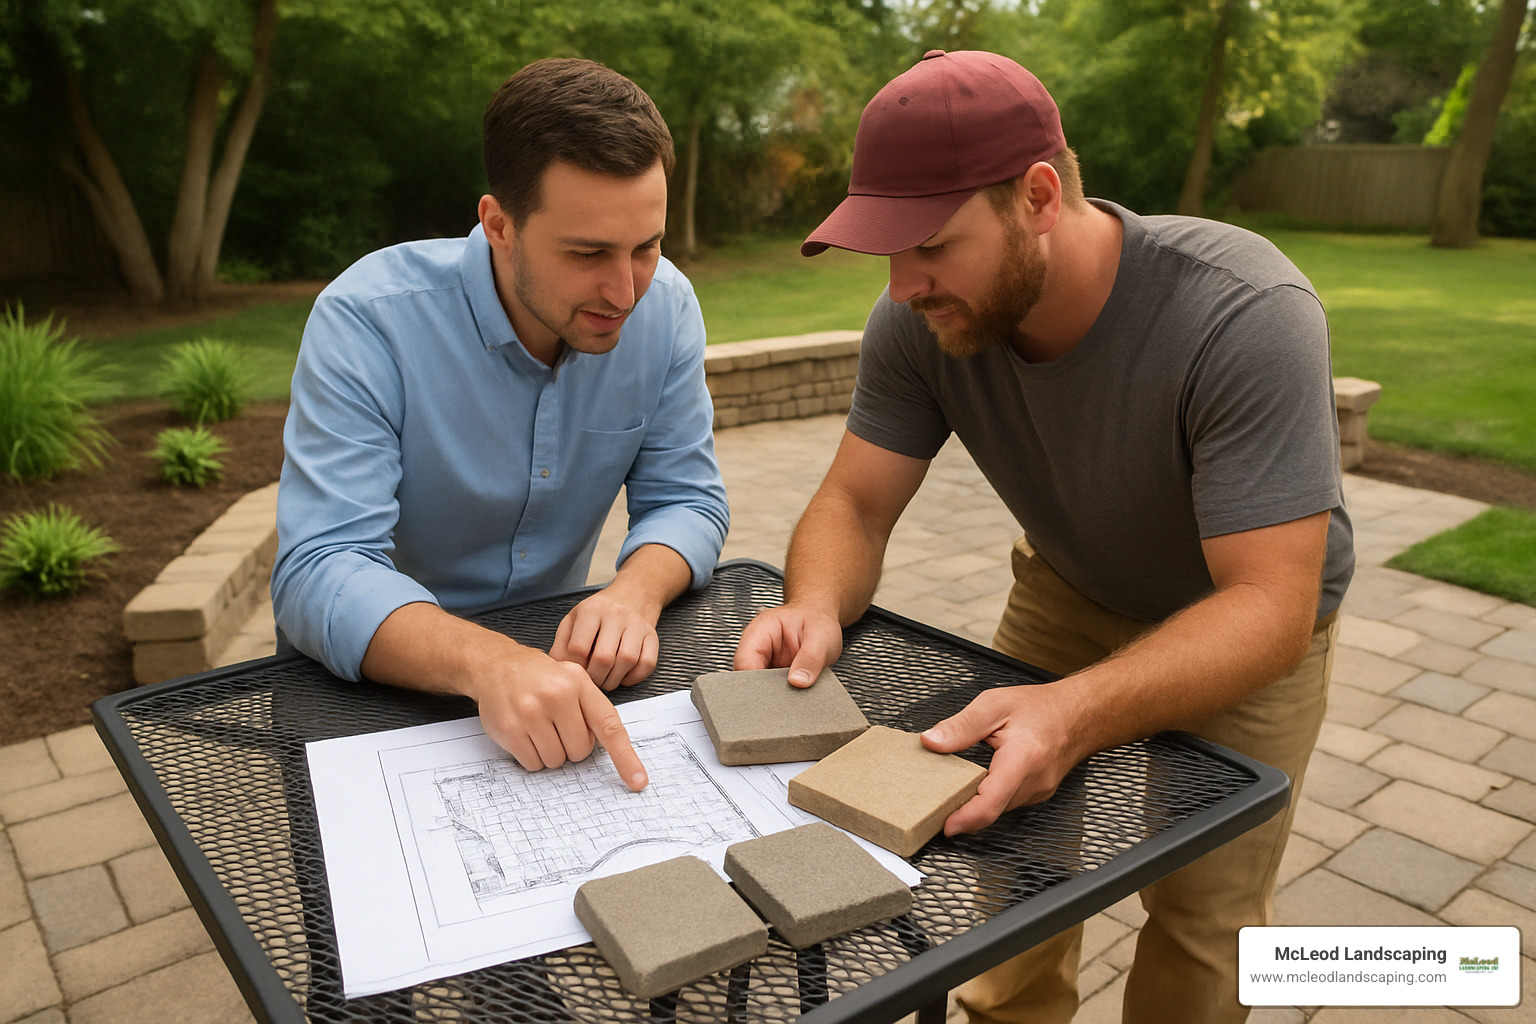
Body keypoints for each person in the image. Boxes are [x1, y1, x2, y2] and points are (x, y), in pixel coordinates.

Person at [735, 50, 1353, 1024]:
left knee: (1206, 916)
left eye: (931, 243)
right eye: (888, 252)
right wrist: (812, 601)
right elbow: (853, 505)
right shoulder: (919, 322)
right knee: (1011, 871)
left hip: (1240, 616)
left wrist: (1072, 713)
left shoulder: (1242, 314)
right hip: (1068, 587)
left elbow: (1268, 605)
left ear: (1036, 198)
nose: (903, 286)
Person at [273, 58, 729, 794]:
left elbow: (688, 499)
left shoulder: (667, 306)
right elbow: (319, 568)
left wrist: (633, 594)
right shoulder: (367, 321)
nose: (625, 290)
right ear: (499, 226)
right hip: (364, 696)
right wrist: (488, 662)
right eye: (588, 254)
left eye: (646, 247)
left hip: (552, 683)